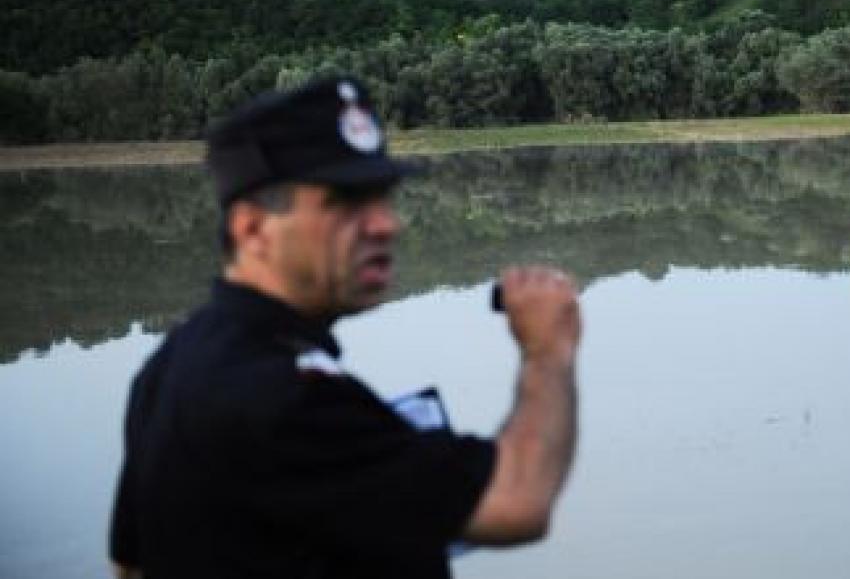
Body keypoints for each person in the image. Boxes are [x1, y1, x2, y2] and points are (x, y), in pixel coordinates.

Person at [108, 77, 581, 579]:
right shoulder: (285, 398)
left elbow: (129, 565)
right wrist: (547, 350)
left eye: (382, 198)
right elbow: (516, 501)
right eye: (346, 202)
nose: (385, 225)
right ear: (252, 228)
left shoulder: (175, 361)